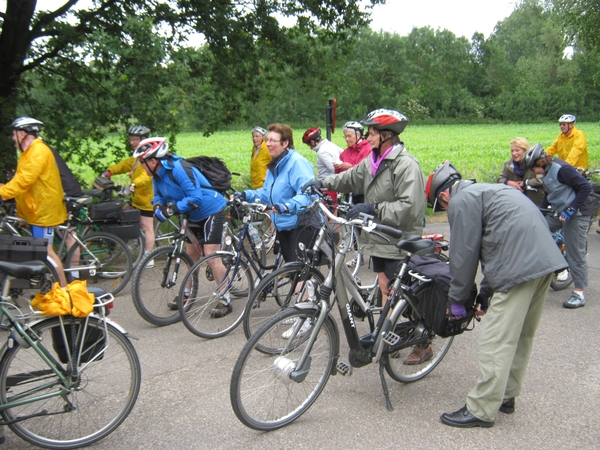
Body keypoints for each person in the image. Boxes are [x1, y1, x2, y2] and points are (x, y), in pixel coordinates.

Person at [426, 161, 567, 429]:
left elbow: (464, 255)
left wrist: (457, 299)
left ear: (444, 195)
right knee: (521, 335)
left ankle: (481, 408)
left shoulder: (461, 201)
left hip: (519, 268)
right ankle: (506, 395)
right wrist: (485, 294)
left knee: (495, 340)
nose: (446, 211)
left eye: (441, 206)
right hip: (545, 262)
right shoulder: (490, 191)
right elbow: (498, 244)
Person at [303, 109, 426, 323]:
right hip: (379, 237)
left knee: (403, 294)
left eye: (371, 133)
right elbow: (350, 178)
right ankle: (385, 338)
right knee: (385, 288)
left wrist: (373, 209)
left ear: (386, 135)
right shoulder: (373, 161)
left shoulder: (406, 165)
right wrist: (323, 183)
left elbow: (410, 207)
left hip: (399, 240)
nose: (367, 138)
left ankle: (422, 339)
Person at [133, 137, 231, 317]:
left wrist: (171, 210)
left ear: (153, 161)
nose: (140, 166)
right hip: (191, 214)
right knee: (190, 257)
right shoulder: (156, 175)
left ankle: (225, 298)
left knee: (211, 255)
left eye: (142, 162)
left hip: (211, 209)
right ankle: (187, 295)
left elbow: (196, 198)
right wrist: (157, 207)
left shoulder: (178, 169)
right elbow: (158, 197)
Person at [523, 143, 594, 309]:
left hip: (579, 212)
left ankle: (579, 293)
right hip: (561, 210)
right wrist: (539, 211)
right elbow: (550, 192)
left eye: (533, 168)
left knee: (575, 252)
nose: (533, 172)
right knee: (538, 228)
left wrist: (570, 210)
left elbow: (585, 187)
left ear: (540, 163)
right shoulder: (546, 173)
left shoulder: (562, 169)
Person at [0, 117, 68, 286]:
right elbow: (22, 179)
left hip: (42, 211)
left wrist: (3, 192)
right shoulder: (29, 151)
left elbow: (25, 180)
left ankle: (64, 292)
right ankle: (51, 287)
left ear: (22, 133)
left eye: (14, 134)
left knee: (47, 253)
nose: (12, 138)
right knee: (42, 252)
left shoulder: (37, 151)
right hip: (36, 210)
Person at [237, 123, 318, 263]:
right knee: (292, 273)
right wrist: (245, 195)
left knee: (299, 275)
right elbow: (266, 194)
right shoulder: (275, 166)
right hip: (284, 225)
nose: (267, 144)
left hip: (301, 225)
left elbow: (309, 194)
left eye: (272, 141)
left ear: (285, 143)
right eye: (267, 140)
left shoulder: (297, 163)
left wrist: (287, 206)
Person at [102, 125, 155, 261]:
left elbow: (146, 177)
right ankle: (137, 239)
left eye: (135, 139)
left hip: (147, 199)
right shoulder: (137, 156)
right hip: (137, 198)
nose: (132, 142)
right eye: (130, 139)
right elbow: (126, 164)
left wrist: (132, 185)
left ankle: (149, 256)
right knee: (125, 216)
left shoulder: (150, 156)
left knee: (147, 226)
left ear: (143, 139)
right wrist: (110, 171)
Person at [497, 137, 544, 206]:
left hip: (536, 202)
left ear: (525, 151)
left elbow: (541, 179)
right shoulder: (508, 164)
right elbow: (500, 179)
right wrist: (510, 183)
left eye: (517, 150)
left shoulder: (535, 163)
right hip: (517, 202)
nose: (514, 153)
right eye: (512, 151)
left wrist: (525, 183)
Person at [302, 127, 343, 207]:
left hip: (328, 187)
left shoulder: (322, 152)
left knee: (328, 214)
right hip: (336, 185)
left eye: (309, 145)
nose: (310, 148)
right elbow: (343, 154)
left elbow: (334, 169)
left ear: (313, 142)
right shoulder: (330, 144)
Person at [333, 121, 372, 204]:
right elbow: (340, 176)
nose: (347, 139)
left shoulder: (369, 149)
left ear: (358, 135)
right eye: (345, 136)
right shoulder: (345, 153)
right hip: (349, 192)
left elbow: (368, 169)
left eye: (349, 136)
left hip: (364, 192)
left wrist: (351, 167)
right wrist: (338, 168)